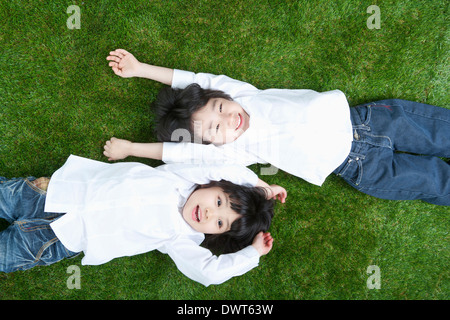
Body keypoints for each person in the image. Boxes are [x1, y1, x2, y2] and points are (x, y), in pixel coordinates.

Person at [105, 49, 450, 206]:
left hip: (367, 120)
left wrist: (141, 68)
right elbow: (177, 153)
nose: (228, 119)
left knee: (438, 132)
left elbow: (194, 79)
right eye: (215, 128)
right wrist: (131, 149)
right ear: (210, 143)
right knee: (431, 182)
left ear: (224, 95)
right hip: (357, 166)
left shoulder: (242, 94)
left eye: (221, 108)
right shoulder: (234, 150)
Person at [0, 155, 286, 286]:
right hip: (50, 193)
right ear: (214, 185)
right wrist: (260, 187)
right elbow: (222, 164)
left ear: (216, 234)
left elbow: (209, 273)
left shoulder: (181, 239)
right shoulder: (181, 176)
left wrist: (252, 253)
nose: (211, 213)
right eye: (219, 202)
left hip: (55, 240)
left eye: (220, 223)